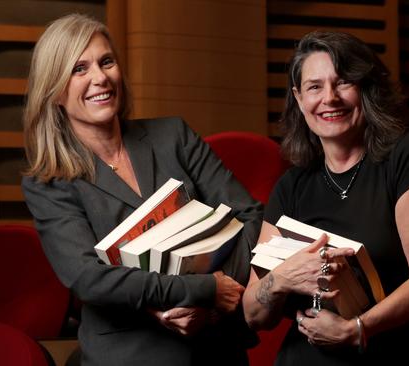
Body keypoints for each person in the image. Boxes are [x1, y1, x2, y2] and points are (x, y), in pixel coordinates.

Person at [21, 14, 262, 366]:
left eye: (107, 62)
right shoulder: (49, 182)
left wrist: (210, 305)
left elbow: (250, 216)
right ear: (55, 91)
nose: (100, 78)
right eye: (79, 69)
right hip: (128, 355)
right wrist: (202, 290)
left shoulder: (174, 136)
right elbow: (89, 279)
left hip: (217, 346)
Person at [242, 31, 409, 365]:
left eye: (343, 83)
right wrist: (283, 277)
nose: (329, 98)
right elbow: (253, 313)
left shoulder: (407, 156)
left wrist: (357, 329)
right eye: (314, 87)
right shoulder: (292, 185)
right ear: (299, 99)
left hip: (394, 352)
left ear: (367, 89)